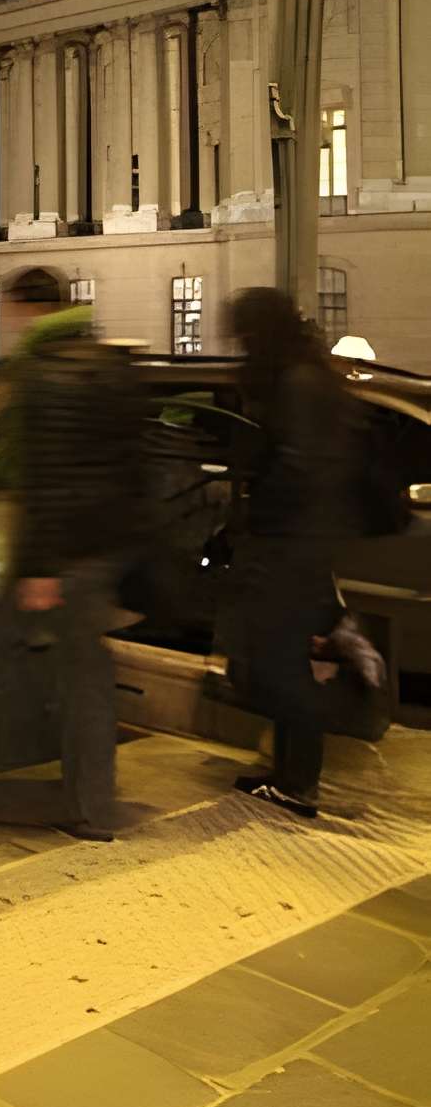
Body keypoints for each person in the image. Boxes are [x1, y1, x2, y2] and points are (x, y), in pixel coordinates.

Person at [0, 267, 144, 839]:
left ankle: (87, 807)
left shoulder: (39, 374)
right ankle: (82, 794)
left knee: (67, 676)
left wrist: (40, 568)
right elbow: (133, 461)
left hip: (61, 553)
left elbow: (41, 476)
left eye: (9, 309)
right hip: (103, 545)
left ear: (29, 309)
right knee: (82, 672)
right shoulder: (109, 363)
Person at [224, 286, 366, 818]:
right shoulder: (310, 376)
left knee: (278, 665)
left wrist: (258, 516)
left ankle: (299, 780)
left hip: (290, 543)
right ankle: (289, 775)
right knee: (283, 660)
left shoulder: (298, 383)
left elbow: (296, 468)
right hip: (303, 540)